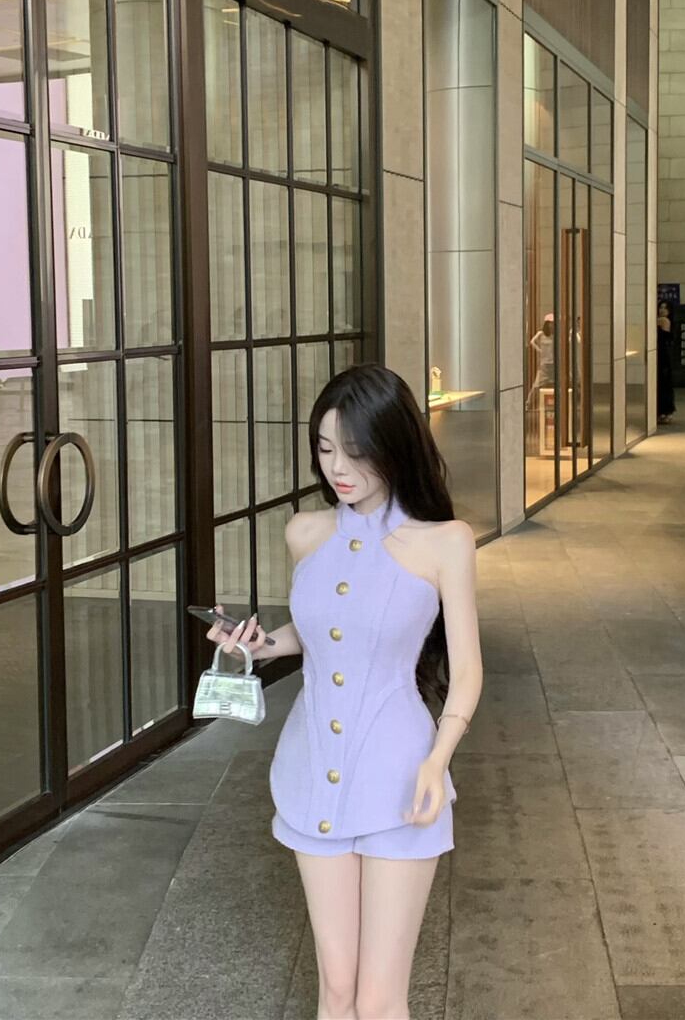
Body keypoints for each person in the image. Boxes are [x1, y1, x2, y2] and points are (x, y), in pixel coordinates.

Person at [204, 363, 483, 1020]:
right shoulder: (305, 533)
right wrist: (255, 645)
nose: (337, 467)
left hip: (400, 776)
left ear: (394, 445)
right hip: (311, 771)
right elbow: (324, 631)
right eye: (325, 448)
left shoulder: (445, 542)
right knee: (335, 990)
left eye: (355, 451)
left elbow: (468, 670)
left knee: (379, 1000)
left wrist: (438, 759)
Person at [526, 313, 555, 410]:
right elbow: (532, 341)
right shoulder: (541, 334)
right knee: (536, 385)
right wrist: (539, 350)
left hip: (554, 364)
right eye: (550, 323)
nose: (551, 325)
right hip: (544, 365)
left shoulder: (556, 335)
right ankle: (528, 403)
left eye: (553, 323)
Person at [657, 301, 676, 425]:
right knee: (663, 384)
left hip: (663, 356)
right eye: (661, 307)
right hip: (662, 355)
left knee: (663, 384)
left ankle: (665, 411)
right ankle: (664, 411)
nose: (662, 310)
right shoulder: (666, 321)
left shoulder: (664, 320)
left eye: (665, 308)